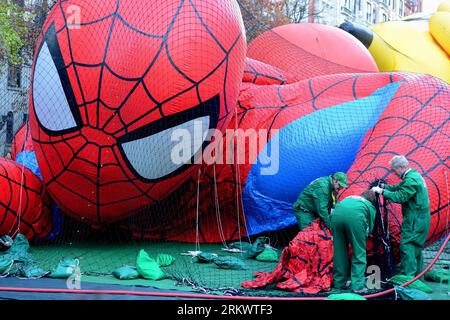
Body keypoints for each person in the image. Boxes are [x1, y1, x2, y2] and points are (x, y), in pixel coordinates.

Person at [371, 155, 430, 277]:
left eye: (394, 170)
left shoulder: (411, 180)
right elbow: (398, 188)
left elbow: (400, 196)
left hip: (415, 220)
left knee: (407, 246)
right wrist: (384, 187)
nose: (394, 173)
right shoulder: (414, 176)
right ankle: (418, 276)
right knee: (416, 248)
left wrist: (382, 192)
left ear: (402, 167)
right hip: (421, 219)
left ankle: (408, 278)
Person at [330, 190, 377, 293]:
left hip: (336, 216)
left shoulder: (350, 197)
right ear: (372, 200)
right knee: (359, 252)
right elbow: (371, 228)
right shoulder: (369, 205)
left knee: (339, 252)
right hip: (356, 218)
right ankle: (357, 286)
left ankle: (339, 283)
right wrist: (363, 236)